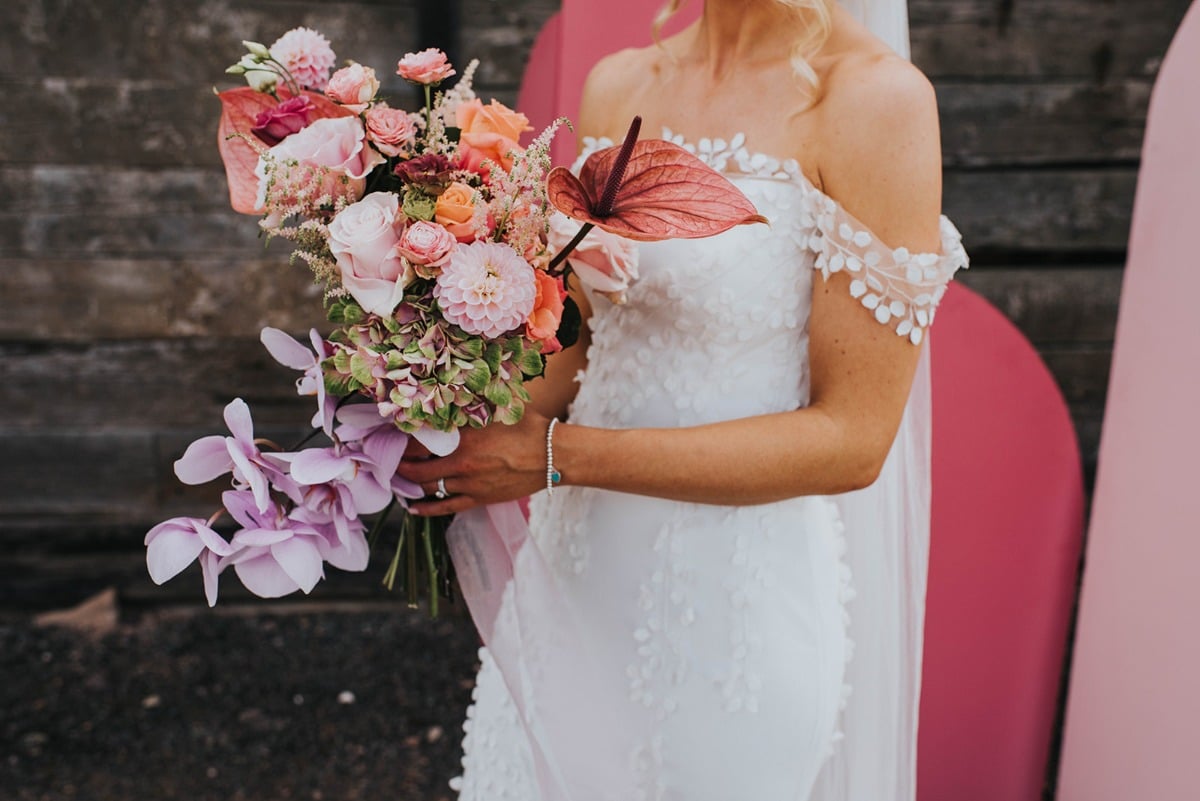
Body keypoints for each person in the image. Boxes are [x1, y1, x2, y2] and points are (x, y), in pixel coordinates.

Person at [397, 1, 967, 799]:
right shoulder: (620, 83)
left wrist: (556, 457)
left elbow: (852, 438)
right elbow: (588, 338)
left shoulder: (875, 100)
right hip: (575, 585)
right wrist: (432, 382)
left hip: (732, 620)